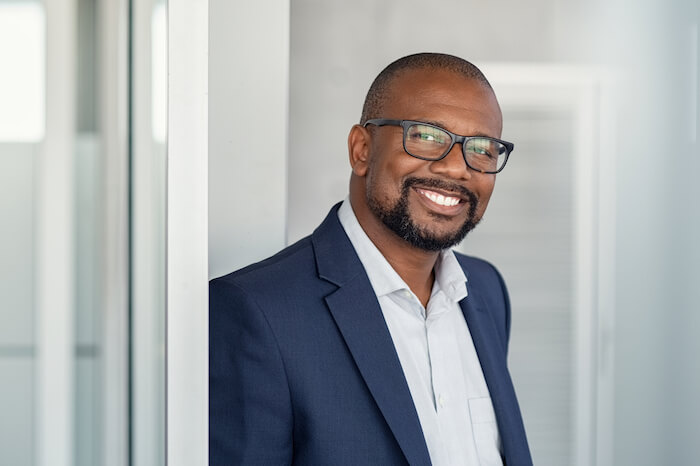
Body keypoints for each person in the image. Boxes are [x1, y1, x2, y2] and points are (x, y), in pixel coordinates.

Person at [210, 52, 532, 466]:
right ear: (362, 149)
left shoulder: (487, 291)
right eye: (427, 136)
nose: (457, 168)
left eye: (482, 149)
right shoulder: (256, 312)